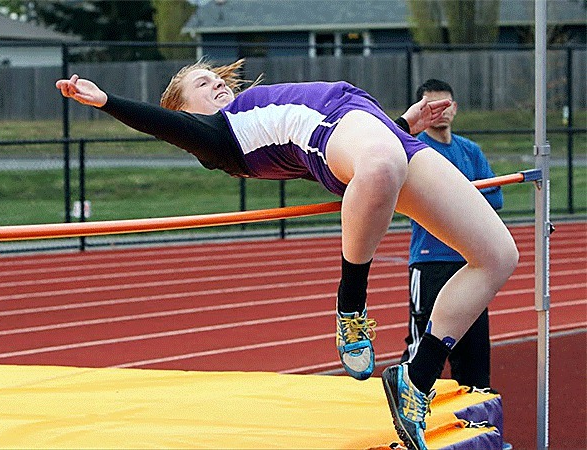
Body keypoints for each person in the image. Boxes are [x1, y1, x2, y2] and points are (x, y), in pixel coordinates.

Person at [56, 59, 518, 450]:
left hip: (374, 127)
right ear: (185, 114)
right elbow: (164, 123)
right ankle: (350, 304)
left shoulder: (248, 111)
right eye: (201, 84)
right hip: (344, 128)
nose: (216, 83)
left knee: (498, 255)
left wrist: (405, 123)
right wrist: (106, 102)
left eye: (215, 78)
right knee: (380, 167)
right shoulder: (219, 135)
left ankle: (415, 379)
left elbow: (363, 142)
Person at [401, 79, 503, 390]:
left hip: (471, 264)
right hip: (431, 262)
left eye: (445, 105)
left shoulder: (470, 151)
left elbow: (496, 198)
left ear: (455, 108)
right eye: (432, 107)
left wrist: (450, 199)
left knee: (473, 352)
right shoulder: (416, 151)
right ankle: (407, 405)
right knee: (423, 348)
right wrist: (465, 198)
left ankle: (477, 424)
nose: (440, 112)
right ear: (421, 110)